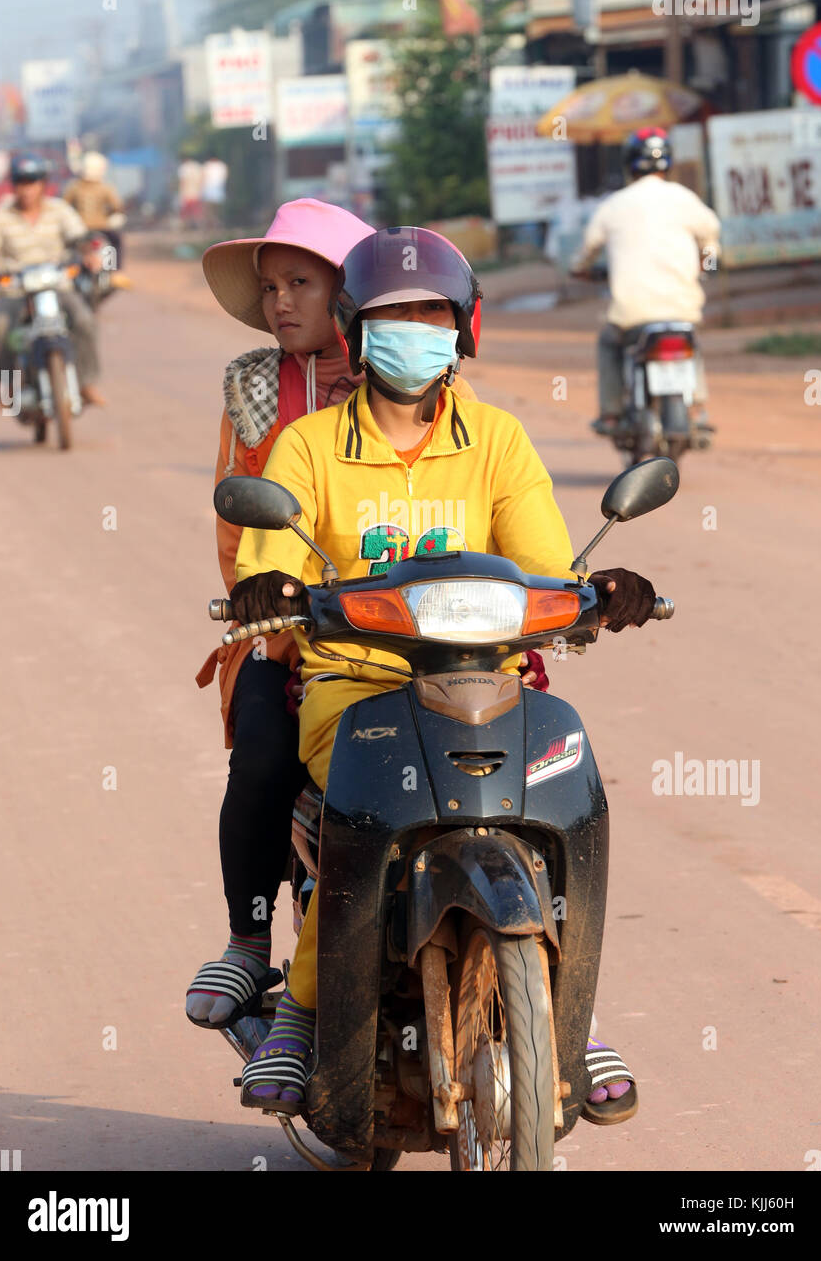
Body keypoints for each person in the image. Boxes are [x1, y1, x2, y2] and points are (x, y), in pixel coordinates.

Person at [229, 227, 652, 1122]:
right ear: (354, 331)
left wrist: (601, 594)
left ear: (462, 327)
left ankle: (572, 1009)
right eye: (391, 315)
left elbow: (547, 568)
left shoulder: (497, 440)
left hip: (488, 681)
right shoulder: (305, 447)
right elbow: (266, 559)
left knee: (567, 787)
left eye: (430, 313)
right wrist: (269, 585)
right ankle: (302, 1014)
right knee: (363, 822)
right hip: (353, 684)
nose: (412, 329)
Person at [186, 202, 523, 1035]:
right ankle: (248, 941)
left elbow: (516, 532)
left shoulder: (456, 408)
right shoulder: (260, 396)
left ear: (349, 296)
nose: (281, 304)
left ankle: (554, 985)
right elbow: (244, 527)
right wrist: (266, 609)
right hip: (299, 634)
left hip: (440, 642)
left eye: (300, 283)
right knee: (263, 759)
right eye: (271, 289)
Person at [570, 127, 720, 436]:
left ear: (628, 164)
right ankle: (696, 406)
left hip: (631, 313)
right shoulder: (685, 198)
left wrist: (580, 269)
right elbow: (711, 235)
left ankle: (611, 412)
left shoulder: (613, 205)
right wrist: (708, 261)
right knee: (691, 341)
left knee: (609, 343)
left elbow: (586, 252)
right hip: (682, 307)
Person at [0, 154, 106, 406]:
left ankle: (86, 382)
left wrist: (89, 255)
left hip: (57, 286)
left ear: (42, 184)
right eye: (22, 182)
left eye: (33, 182)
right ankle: (6, 385)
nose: (27, 189)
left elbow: (79, 236)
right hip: (16, 290)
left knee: (84, 320)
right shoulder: (1, 216)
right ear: (14, 186)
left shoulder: (59, 210)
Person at [64, 152, 126, 269]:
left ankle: (68, 269)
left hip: (79, 228)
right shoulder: (105, 188)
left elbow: (64, 206)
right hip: (102, 228)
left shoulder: (74, 187)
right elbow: (118, 207)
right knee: (115, 242)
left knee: (67, 245)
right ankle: (113, 270)